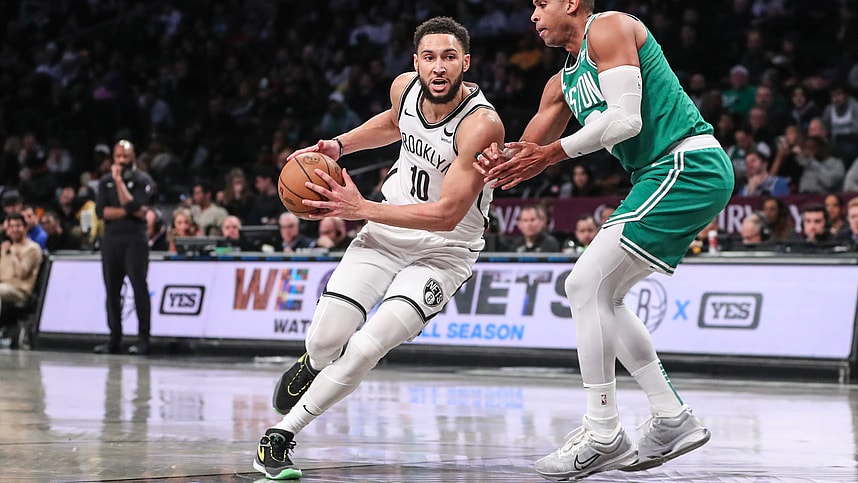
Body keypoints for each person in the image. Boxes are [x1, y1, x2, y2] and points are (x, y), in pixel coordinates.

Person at [475, 3, 730, 479]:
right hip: (659, 173)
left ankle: (602, 431)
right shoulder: (561, 83)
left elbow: (626, 120)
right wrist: (487, 157)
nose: (533, 14)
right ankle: (671, 416)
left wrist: (551, 154)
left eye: (540, 3)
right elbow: (528, 150)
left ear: (571, 2)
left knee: (583, 285)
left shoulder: (609, 27)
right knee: (602, 294)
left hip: (685, 163)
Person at [253, 16, 504, 481]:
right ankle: (313, 362)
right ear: (416, 63)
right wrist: (338, 145)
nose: (439, 67)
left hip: (444, 251)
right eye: (429, 57)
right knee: (327, 340)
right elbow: (393, 123)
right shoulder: (404, 89)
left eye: (450, 57)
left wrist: (361, 206)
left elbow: (447, 214)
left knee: (369, 345)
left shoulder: (481, 125)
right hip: (387, 234)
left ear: (466, 63)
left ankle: (281, 435)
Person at [94, 140, 154, 355]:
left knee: (139, 288)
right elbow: (102, 212)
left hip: (135, 239)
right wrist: (129, 210)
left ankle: (143, 339)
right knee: (112, 290)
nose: (121, 161)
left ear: (133, 157)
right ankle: (114, 338)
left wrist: (119, 182)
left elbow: (135, 208)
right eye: (118, 156)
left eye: (125, 157)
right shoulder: (104, 182)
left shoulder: (143, 179)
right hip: (111, 239)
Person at [0, 213, 43, 336]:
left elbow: (22, 273)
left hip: (20, 290)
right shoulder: (5, 248)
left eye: (18, 226)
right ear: (7, 230)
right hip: (4, 286)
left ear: (25, 228)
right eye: (11, 226)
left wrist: (11, 254)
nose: (14, 229)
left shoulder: (32, 249)